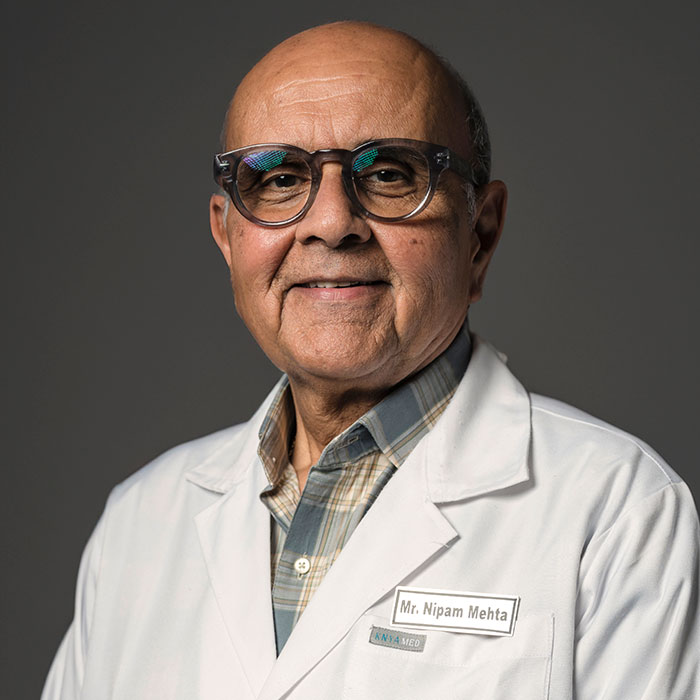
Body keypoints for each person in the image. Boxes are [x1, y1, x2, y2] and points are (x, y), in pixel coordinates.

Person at [42, 21, 699, 700]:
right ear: (228, 238)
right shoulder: (140, 522)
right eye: (279, 178)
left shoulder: (618, 515)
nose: (331, 223)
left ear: (481, 233)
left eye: (388, 174)